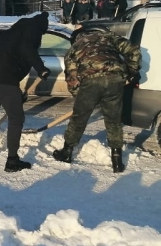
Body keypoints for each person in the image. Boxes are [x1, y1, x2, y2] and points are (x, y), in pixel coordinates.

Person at [52, 27, 141, 173]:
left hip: (91, 81)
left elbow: (72, 79)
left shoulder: (75, 47)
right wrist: (130, 71)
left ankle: (66, 153)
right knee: (113, 120)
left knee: (79, 118)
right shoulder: (108, 37)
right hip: (115, 79)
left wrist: (79, 97)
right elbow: (133, 50)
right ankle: (117, 160)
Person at [0, 12, 51, 172]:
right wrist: (41, 69)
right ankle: (12, 161)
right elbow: (27, 50)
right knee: (16, 118)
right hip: (4, 77)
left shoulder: (12, 32)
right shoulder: (32, 31)